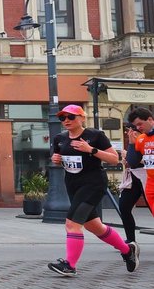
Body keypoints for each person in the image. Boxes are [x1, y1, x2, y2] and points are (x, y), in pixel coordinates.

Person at [47, 104, 138, 277]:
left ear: (82, 118)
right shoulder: (59, 138)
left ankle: (70, 266)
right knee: (95, 227)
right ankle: (127, 251)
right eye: (62, 118)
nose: (66, 120)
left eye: (70, 117)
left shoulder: (95, 136)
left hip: (93, 184)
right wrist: (55, 158)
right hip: (73, 185)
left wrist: (91, 150)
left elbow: (114, 159)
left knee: (72, 224)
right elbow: (58, 157)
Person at [118, 122, 147, 247]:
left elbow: (141, 160)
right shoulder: (132, 143)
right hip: (133, 178)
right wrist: (126, 158)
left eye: (130, 131)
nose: (128, 134)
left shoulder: (148, 141)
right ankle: (130, 240)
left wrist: (130, 157)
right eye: (127, 131)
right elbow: (131, 162)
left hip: (148, 177)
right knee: (124, 207)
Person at [128, 107, 154, 220]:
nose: (138, 128)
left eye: (140, 124)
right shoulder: (141, 139)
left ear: (150, 119)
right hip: (151, 184)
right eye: (136, 126)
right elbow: (132, 162)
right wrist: (131, 144)